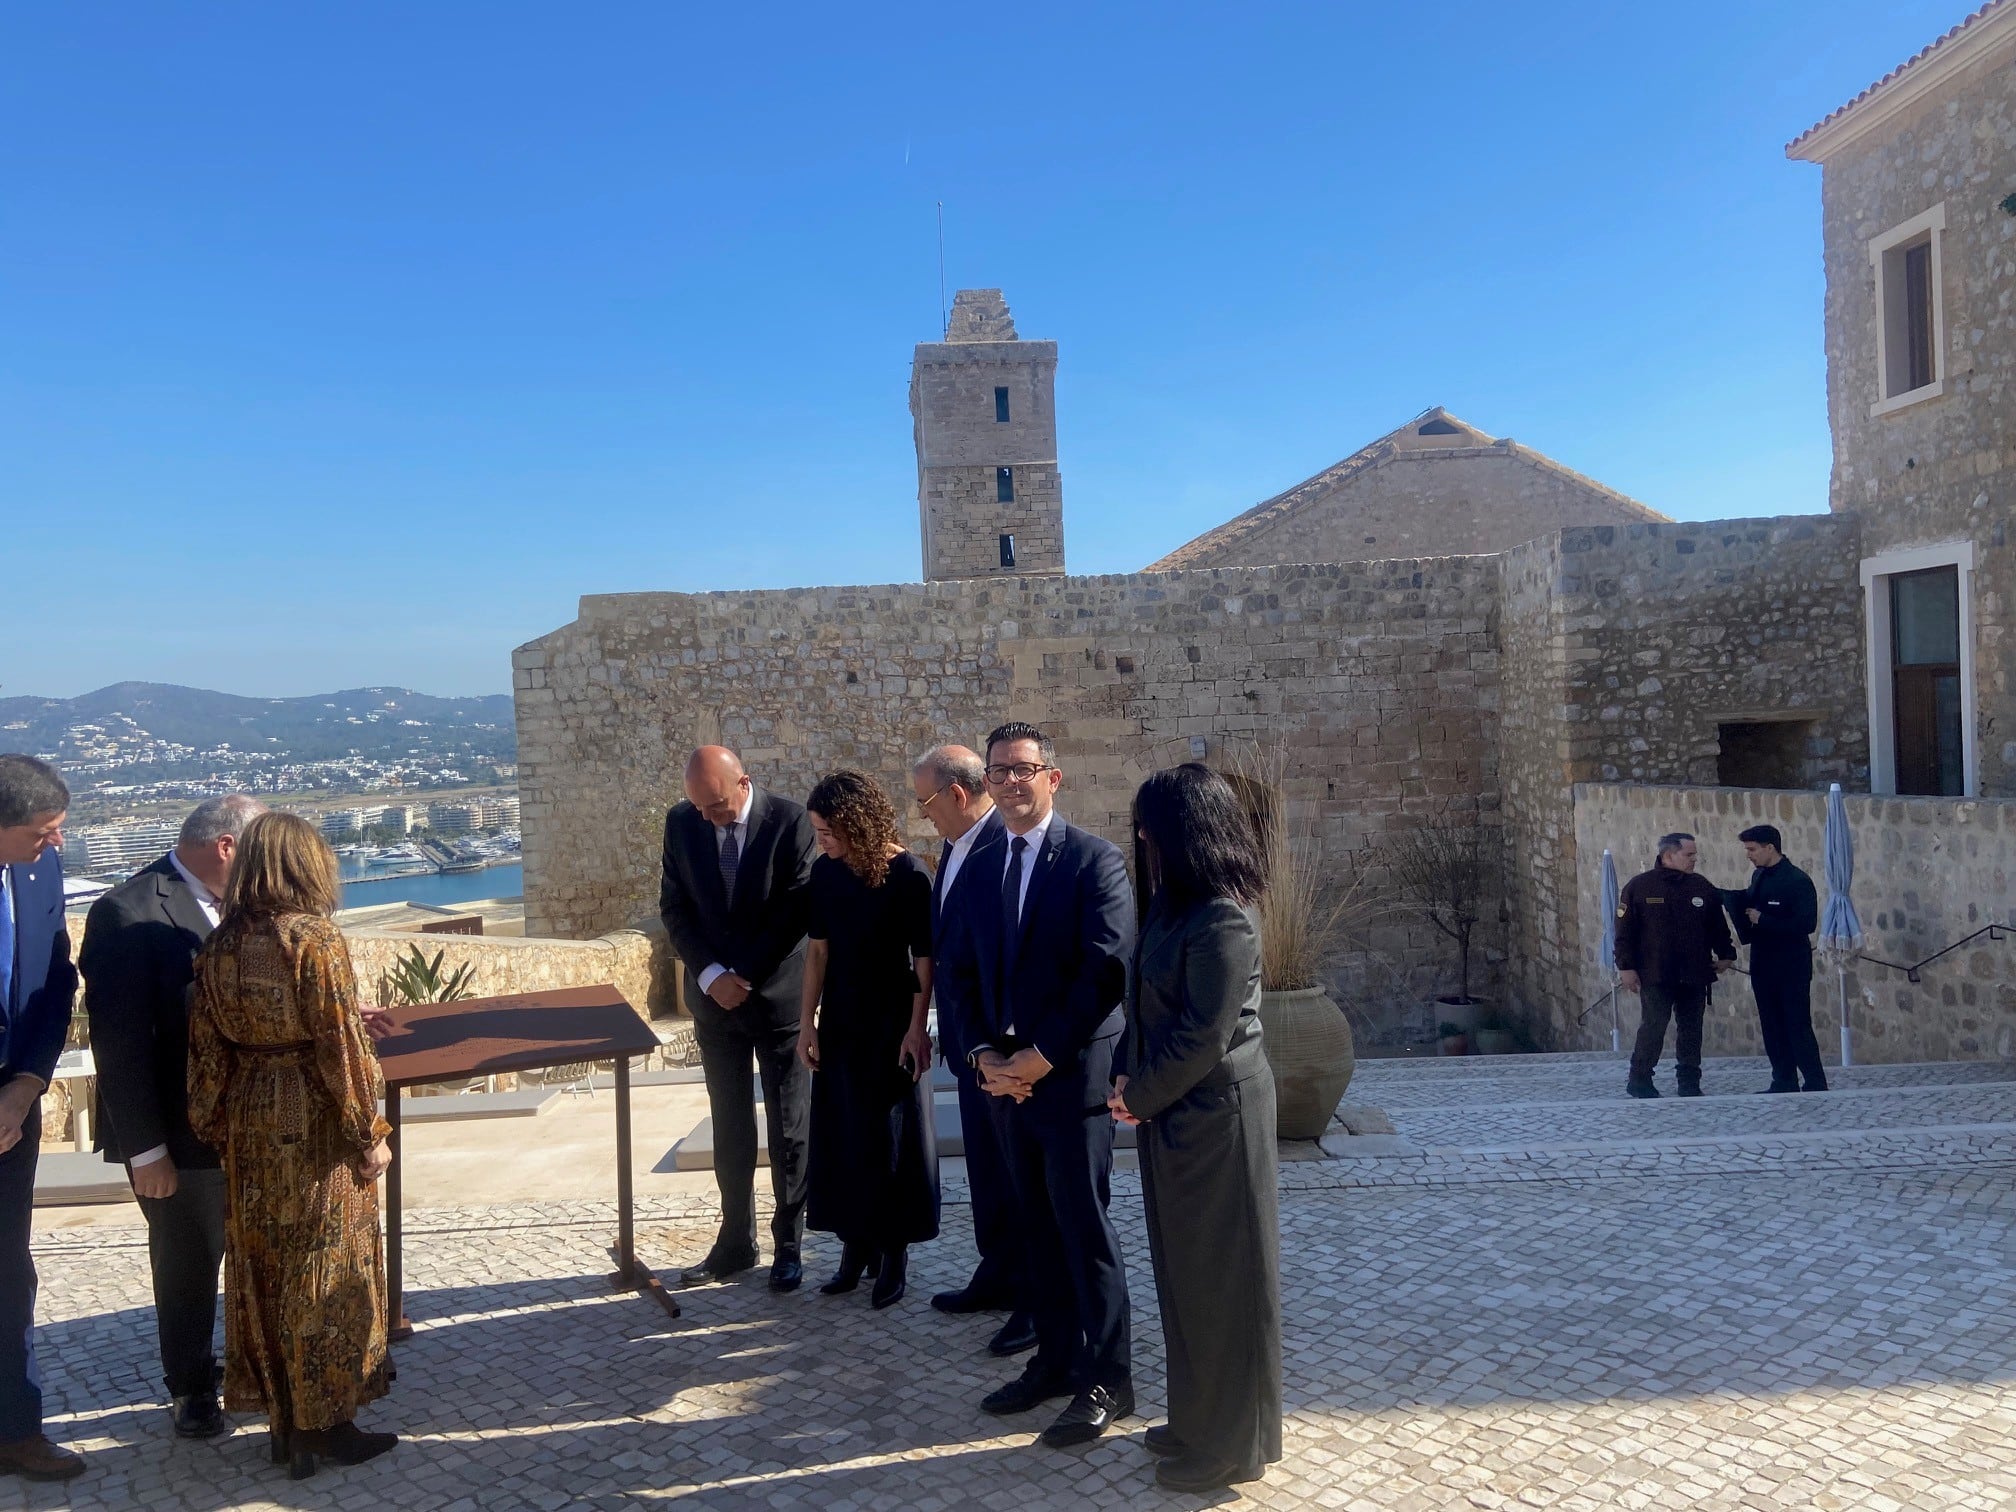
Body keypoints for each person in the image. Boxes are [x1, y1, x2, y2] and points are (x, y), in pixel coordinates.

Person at [187, 812, 396, 1479]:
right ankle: (325, 1424)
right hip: (313, 1120)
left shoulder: (219, 945)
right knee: (326, 1264)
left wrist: (216, 1125)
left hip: (250, 1118)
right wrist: (369, 1132)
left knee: (266, 1268)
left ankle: (284, 1421)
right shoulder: (313, 939)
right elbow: (339, 1043)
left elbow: (205, 1054)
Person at [945, 721, 1136, 1450]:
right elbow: (960, 971)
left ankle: (1109, 1379)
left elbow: (1105, 969)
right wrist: (982, 1056)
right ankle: (1055, 1361)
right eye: (997, 771)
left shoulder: (1093, 860)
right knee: (1033, 1228)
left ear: (1052, 778)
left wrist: (1043, 1055)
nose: (1009, 783)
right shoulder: (980, 865)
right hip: (1004, 1085)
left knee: (1082, 1230)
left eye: (1022, 770)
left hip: (1070, 1079)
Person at [1109, 763, 1282, 1494]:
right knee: (1184, 1277)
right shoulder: (1174, 908)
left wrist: (1140, 1096)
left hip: (1218, 1119)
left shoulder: (1223, 919)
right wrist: (1129, 1080)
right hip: (1176, 1113)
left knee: (1224, 1283)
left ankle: (1233, 1445)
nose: (1141, 839)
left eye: (1150, 828)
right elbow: (1146, 1007)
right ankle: (1196, 1418)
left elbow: (1204, 1035)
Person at [80, 794, 264, 1440]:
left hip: (250, 1123)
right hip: (176, 1135)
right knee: (188, 1261)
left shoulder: (247, 905)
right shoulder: (127, 911)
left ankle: (255, 1370)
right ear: (226, 847)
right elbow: (119, 1041)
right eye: (258, 848)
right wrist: (146, 1150)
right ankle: (191, 1387)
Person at [659, 746, 818, 1291]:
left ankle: (789, 1244)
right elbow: (674, 908)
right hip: (713, 1005)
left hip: (775, 999)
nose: (709, 818)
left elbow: (796, 910)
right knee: (728, 1126)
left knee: (788, 1127)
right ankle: (735, 1242)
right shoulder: (682, 822)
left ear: (744, 783)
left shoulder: (790, 821)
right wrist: (710, 976)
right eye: (699, 807)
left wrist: (742, 975)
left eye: (718, 807)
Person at [910, 745, 1035, 1358]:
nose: (922, 814)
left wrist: (1000, 1049)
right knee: (987, 1168)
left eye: (925, 802)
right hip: (969, 1044)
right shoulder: (955, 847)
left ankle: (1034, 1296)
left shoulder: (1002, 846)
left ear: (957, 794)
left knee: (1018, 1174)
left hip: (1004, 1050)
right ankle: (998, 1271)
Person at [797, 771, 938, 1307]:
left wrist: (916, 1029)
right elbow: (817, 952)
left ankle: (893, 1253)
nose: (821, 842)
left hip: (891, 1023)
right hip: (842, 1022)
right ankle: (854, 1248)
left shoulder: (909, 875)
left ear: (856, 823)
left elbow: (924, 962)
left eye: (828, 831)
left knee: (889, 1140)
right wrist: (807, 1023)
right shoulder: (825, 873)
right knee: (843, 1136)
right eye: (817, 832)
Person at [0, 755, 85, 1483]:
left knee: (8, 1270)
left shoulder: (39, 871)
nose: (55, 842)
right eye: (41, 830)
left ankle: (15, 1429)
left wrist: (27, 1085)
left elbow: (57, 981)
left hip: (11, 1108)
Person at [1616, 832, 1736, 1099]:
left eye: (1695, 854)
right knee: (1653, 1026)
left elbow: (1717, 926)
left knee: (1692, 1028)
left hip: (1695, 971)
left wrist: (1726, 954)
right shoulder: (1640, 887)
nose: (1694, 859)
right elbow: (1624, 931)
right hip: (1656, 972)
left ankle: (1689, 1081)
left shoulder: (1701, 886)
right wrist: (1625, 967)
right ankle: (1640, 1079)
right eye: (1689, 854)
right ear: (1668, 856)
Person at [1721, 824, 1827, 1094]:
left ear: (1770, 847)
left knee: (1796, 1022)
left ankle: (1814, 1080)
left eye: (1752, 849)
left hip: (1791, 964)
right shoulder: (1759, 876)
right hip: (1763, 961)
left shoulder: (1797, 880)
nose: (1749, 855)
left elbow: (1806, 924)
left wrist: (1764, 919)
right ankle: (1783, 1079)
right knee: (1771, 1023)